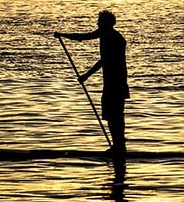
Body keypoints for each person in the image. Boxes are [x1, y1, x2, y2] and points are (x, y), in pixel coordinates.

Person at [55, 10, 129, 157]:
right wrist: (63, 35)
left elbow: (104, 61)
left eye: (100, 21)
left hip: (117, 83)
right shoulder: (104, 33)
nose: (97, 23)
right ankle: (117, 146)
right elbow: (83, 37)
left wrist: (86, 76)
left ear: (107, 23)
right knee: (109, 115)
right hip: (109, 83)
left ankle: (119, 147)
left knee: (116, 116)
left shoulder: (115, 38)